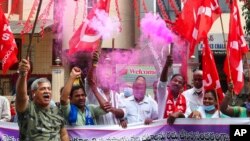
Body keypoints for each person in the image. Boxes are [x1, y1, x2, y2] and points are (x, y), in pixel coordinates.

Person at [16, 58, 69, 141]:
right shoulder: (28, 108)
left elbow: (63, 134)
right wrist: (23, 75)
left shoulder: (57, 111)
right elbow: (21, 97)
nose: (47, 91)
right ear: (33, 93)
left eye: (49, 88)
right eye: (43, 89)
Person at [85, 51, 126, 125]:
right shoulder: (93, 93)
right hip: (100, 135)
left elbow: (123, 113)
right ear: (99, 81)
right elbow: (89, 81)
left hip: (115, 134)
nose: (106, 80)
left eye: (108, 78)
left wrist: (112, 109)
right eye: (103, 78)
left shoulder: (117, 96)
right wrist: (93, 64)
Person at [157, 55, 186, 124]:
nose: (177, 83)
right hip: (163, 131)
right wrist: (166, 65)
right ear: (170, 82)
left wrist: (178, 114)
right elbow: (162, 83)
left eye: (180, 82)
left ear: (182, 86)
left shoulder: (185, 98)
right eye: (175, 81)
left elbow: (186, 116)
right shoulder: (164, 94)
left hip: (180, 132)